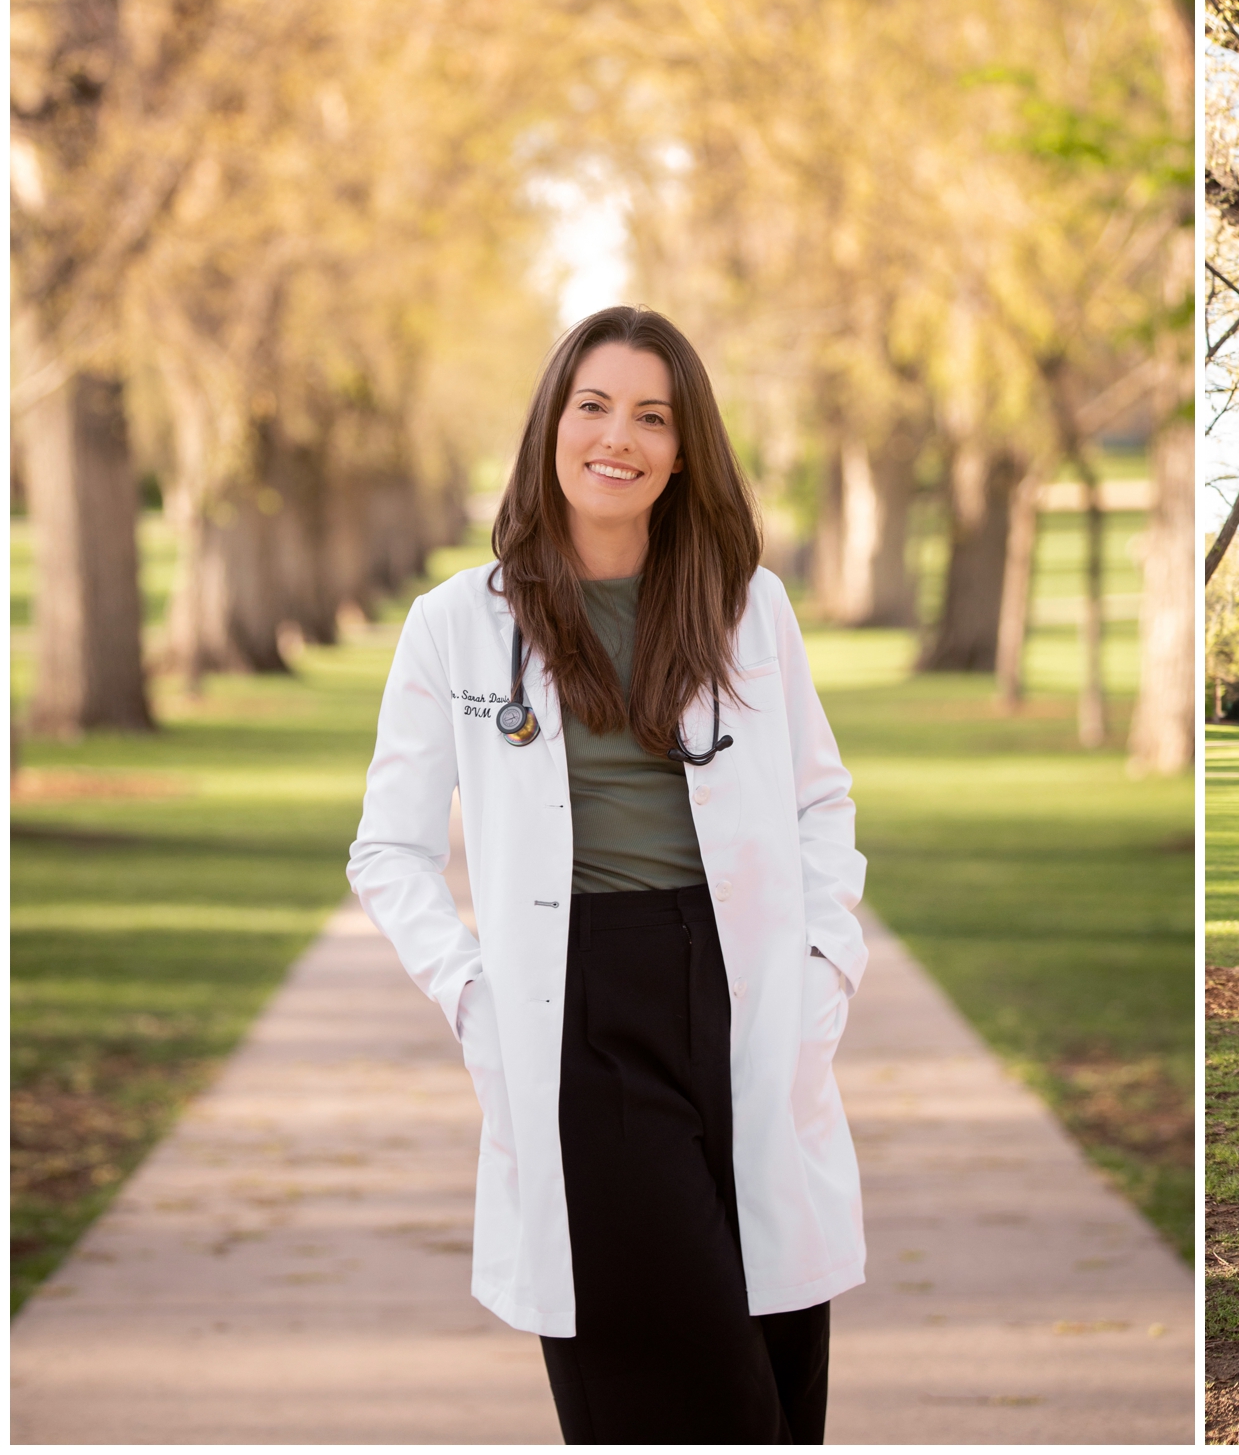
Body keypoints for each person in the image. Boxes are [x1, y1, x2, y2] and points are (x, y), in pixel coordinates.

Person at [348, 305, 867, 1441]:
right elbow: (386, 846)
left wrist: (828, 964)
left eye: (651, 416)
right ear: (550, 424)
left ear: (684, 452)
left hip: (747, 989)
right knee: (687, 1386)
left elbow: (820, 800)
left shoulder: (745, 607)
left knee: (779, 1365)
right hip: (582, 1007)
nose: (616, 438)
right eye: (593, 406)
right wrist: (472, 989)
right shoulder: (457, 626)